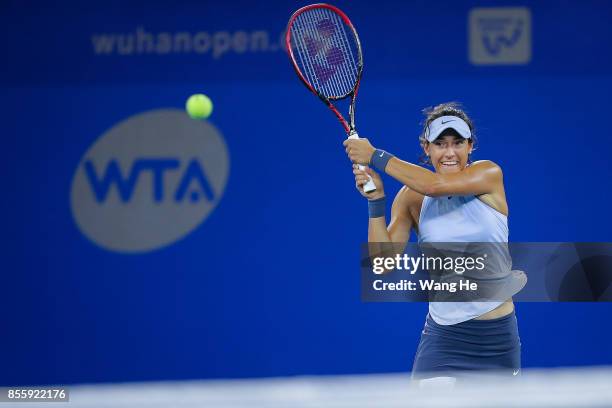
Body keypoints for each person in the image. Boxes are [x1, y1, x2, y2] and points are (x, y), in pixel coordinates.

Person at [343, 102, 522, 385]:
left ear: (470, 146)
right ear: (426, 148)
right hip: (444, 339)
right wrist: (376, 202)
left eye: (457, 143)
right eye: (440, 143)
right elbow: (382, 264)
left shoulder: (488, 174)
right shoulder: (411, 198)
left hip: (496, 338)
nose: (449, 152)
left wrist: (374, 155)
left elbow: (434, 186)